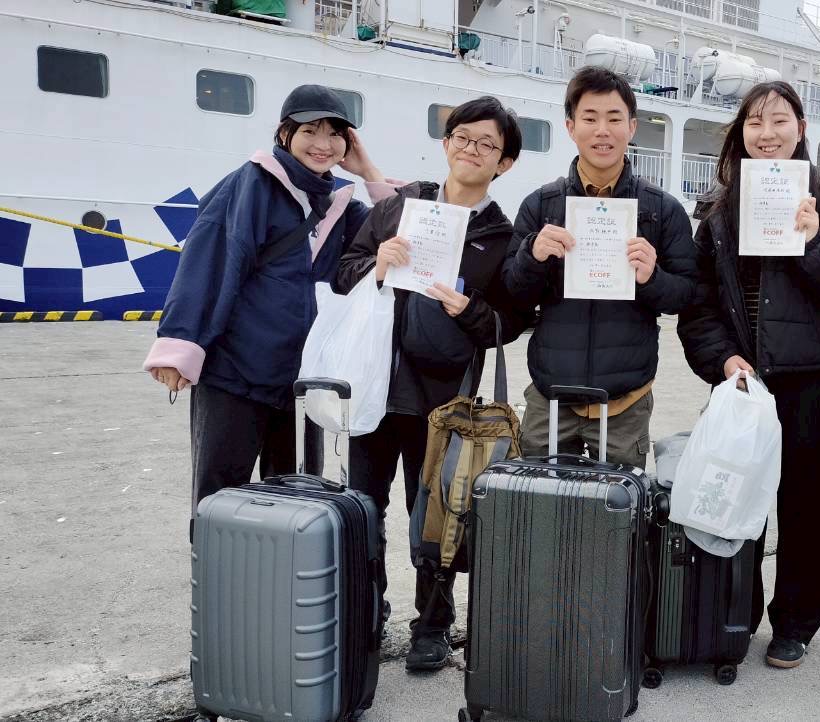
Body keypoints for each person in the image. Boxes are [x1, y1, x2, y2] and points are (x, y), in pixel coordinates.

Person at [676, 81, 820, 669]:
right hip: (743, 381)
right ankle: (733, 616)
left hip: (811, 376)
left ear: (800, 128)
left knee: (806, 506)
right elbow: (699, 303)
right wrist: (721, 360)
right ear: (740, 135)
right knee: (734, 499)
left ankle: (795, 622)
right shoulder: (718, 212)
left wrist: (816, 240)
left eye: (779, 121)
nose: (767, 134)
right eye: (754, 123)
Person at [332, 96, 530, 673]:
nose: (471, 150)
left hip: (444, 400)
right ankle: (364, 615)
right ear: (446, 144)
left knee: (437, 515)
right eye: (463, 138)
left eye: (487, 145)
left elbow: (509, 323)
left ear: (505, 163)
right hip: (376, 384)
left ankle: (432, 626)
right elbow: (344, 272)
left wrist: (468, 309)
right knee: (364, 509)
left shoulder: (503, 235)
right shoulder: (401, 206)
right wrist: (380, 263)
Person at [143, 84, 400, 520]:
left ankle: (280, 587)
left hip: (299, 379)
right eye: (309, 131)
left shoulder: (338, 203)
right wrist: (180, 345)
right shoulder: (251, 185)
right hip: (236, 372)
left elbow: (395, 227)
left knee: (295, 502)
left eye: (335, 134)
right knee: (220, 498)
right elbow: (209, 263)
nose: (322, 144)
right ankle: (217, 583)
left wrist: (367, 170)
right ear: (284, 135)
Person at [503, 66, 698, 468]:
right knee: (540, 509)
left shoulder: (662, 210)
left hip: (625, 399)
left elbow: (688, 293)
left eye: (613, 118)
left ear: (632, 126)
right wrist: (532, 255)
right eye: (590, 119)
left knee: (617, 516)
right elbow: (513, 292)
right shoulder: (541, 205)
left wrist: (652, 278)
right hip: (550, 394)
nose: (602, 130)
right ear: (571, 127)